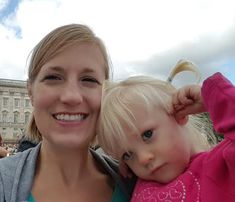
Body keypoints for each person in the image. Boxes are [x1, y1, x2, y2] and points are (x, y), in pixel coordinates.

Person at [0, 24, 135, 202]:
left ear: (107, 94)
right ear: (30, 92)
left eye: (88, 79)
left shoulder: (139, 181)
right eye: (53, 77)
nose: (71, 96)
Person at [98, 65, 235, 201]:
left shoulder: (219, 167)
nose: (143, 159)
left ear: (179, 114)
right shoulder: (136, 184)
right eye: (128, 155)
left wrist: (214, 96)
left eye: (147, 134)